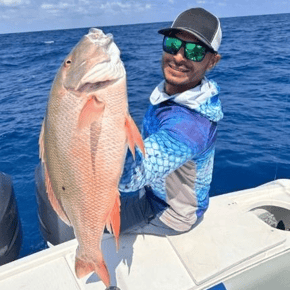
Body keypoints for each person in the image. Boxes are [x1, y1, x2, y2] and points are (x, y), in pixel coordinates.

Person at [118, 7, 223, 235]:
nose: (178, 57)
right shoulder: (180, 93)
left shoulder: (190, 126)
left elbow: (128, 177)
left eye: (195, 52)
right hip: (152, 191)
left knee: (83, 228)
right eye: (173, 44)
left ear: (212, 61)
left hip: (167, 213)